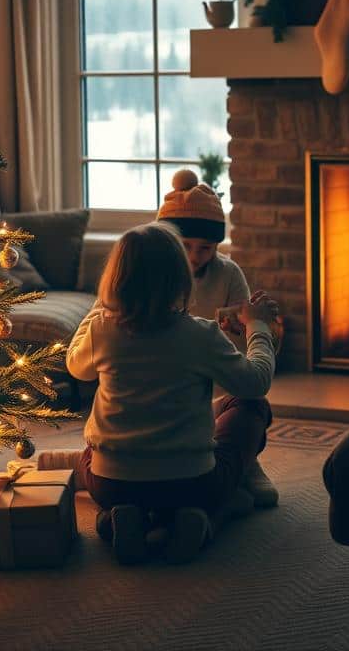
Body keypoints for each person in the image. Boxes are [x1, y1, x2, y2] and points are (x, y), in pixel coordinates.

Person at [65, 221, 278, 564]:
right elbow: (256, 381)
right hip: (190, 482)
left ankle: (113, 521)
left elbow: (75, 367)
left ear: (114, 279)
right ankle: (205, 520)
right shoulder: (201, 334)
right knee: (251, 405)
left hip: (112, 483)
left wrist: (99, 308)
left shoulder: (102, 330)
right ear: (181, 278)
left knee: (89, 454)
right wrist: (258, 326)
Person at [155, 169, 281, 506]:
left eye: (205, 248)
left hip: (215, 394)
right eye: (186, 247)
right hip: (164, 397)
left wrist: (245, 328)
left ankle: (244, 460)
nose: (195, 256)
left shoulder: (228, 273)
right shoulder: (150, 276)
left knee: (253, 404)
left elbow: (241, 362)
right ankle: (233, 468)